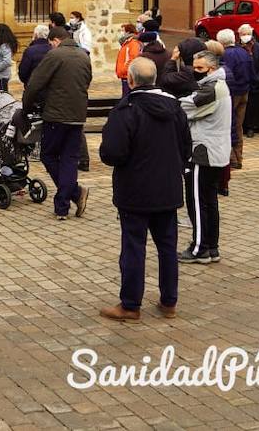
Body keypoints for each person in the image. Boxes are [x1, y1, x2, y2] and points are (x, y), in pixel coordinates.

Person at [98, 58, 190, 321]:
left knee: (134, 247)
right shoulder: (175, 108)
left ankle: (130, 304)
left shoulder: (126, 111)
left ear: (131, 80)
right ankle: (169, 300)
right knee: (167, 247)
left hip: (135, 190)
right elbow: (186, 147)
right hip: (167, 188)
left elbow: (113, 153)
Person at [23, 26, 92, 220]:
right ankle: (65, 203)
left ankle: (73, 195)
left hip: (56, 115)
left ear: (55, 41)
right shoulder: (84, 56)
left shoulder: (54, 56)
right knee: (69, 158)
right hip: (77, 116)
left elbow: (34, 84)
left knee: (49, 155)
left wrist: (26, 109)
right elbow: (87, 82)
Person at [178, 50, 230, 263]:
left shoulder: (211, 90)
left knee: (197, 202)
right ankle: (211, 246)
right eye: (194, 67)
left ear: (212, 68)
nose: (195, 72)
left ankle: (200, 248)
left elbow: (182, 107)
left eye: (200, 69)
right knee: (209, 201)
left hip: (203, 152)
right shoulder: (215, 86)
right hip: (212, 151)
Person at [217, 29, 254, 192]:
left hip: (233, 93)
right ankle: (238, 157)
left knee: (229, 125)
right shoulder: (244, 52)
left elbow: (227, 74)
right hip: (245, 91)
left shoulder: (227, 55)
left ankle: (232, 158)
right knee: (239, 125)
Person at [237, 24, 259, 137]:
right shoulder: (237, 48)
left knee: (253, 107)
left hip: (255, 84)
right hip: (242, 83)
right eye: (243, 34)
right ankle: (241, 126)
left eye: (248, 34)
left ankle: (250, 127)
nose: (246, 36)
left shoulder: (258, 47)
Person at [115, 24, 144, 96]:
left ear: (128, 32)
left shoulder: (133, 43)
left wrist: (124, 70)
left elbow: (132, 59)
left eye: (122, 31)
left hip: (127, 75)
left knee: (127, 97)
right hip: (125, 75)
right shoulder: (127, 43)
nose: (121, 33)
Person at [0, 24, 17, 92]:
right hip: (0, 76)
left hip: (3, 76)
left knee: (4, 95)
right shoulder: (1, 44)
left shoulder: (5, 46)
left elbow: (7, 61)